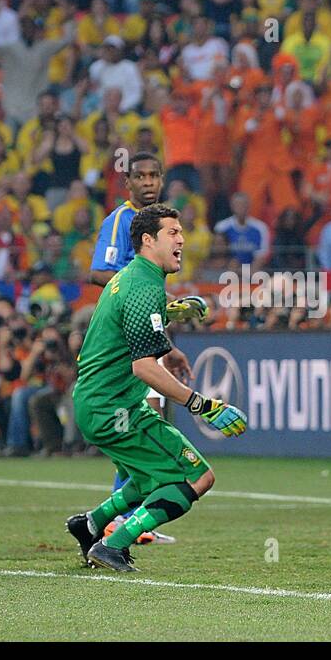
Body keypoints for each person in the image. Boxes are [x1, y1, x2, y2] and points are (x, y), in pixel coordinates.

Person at [65, 205, 248, 572]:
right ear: (148, 240)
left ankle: (91, 524)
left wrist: (173, 322)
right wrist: (203, 405)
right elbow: (144, 367)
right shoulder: (143, 286)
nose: (181, 239)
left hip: (102, 402)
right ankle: (113, 545)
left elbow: (132, 327)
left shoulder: (133, 278)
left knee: (148, 477)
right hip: (113, 408)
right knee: (197, 477)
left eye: (181, 232)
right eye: (172, 232)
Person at [85, 152, 207, 545]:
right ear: (129, 183)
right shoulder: (122, 223)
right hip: (122, 331)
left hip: (138, 327)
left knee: (147, 417)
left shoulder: (157, 249)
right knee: (146, 419)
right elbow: (98, 273)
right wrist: (151, 307)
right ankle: (128, 523)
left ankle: (110, 519)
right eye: (141, 176)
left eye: (155, 175)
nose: (149, 182)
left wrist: (163, 329)